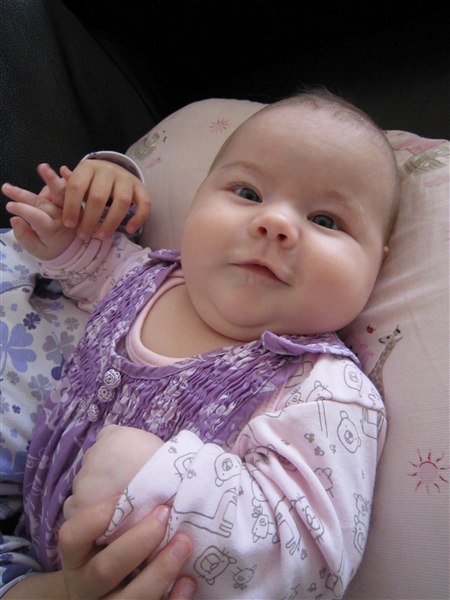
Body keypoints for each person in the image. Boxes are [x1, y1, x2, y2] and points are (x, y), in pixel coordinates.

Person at [1, 90, 399, 598]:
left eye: (326, 221)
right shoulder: (144, 274)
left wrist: (160, 481)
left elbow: (309, 562)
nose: (275, 223)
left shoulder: (326, 390)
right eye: (248, 193)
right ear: (196, 201)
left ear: (377, 264)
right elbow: (88, 265)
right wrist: (60, 235)